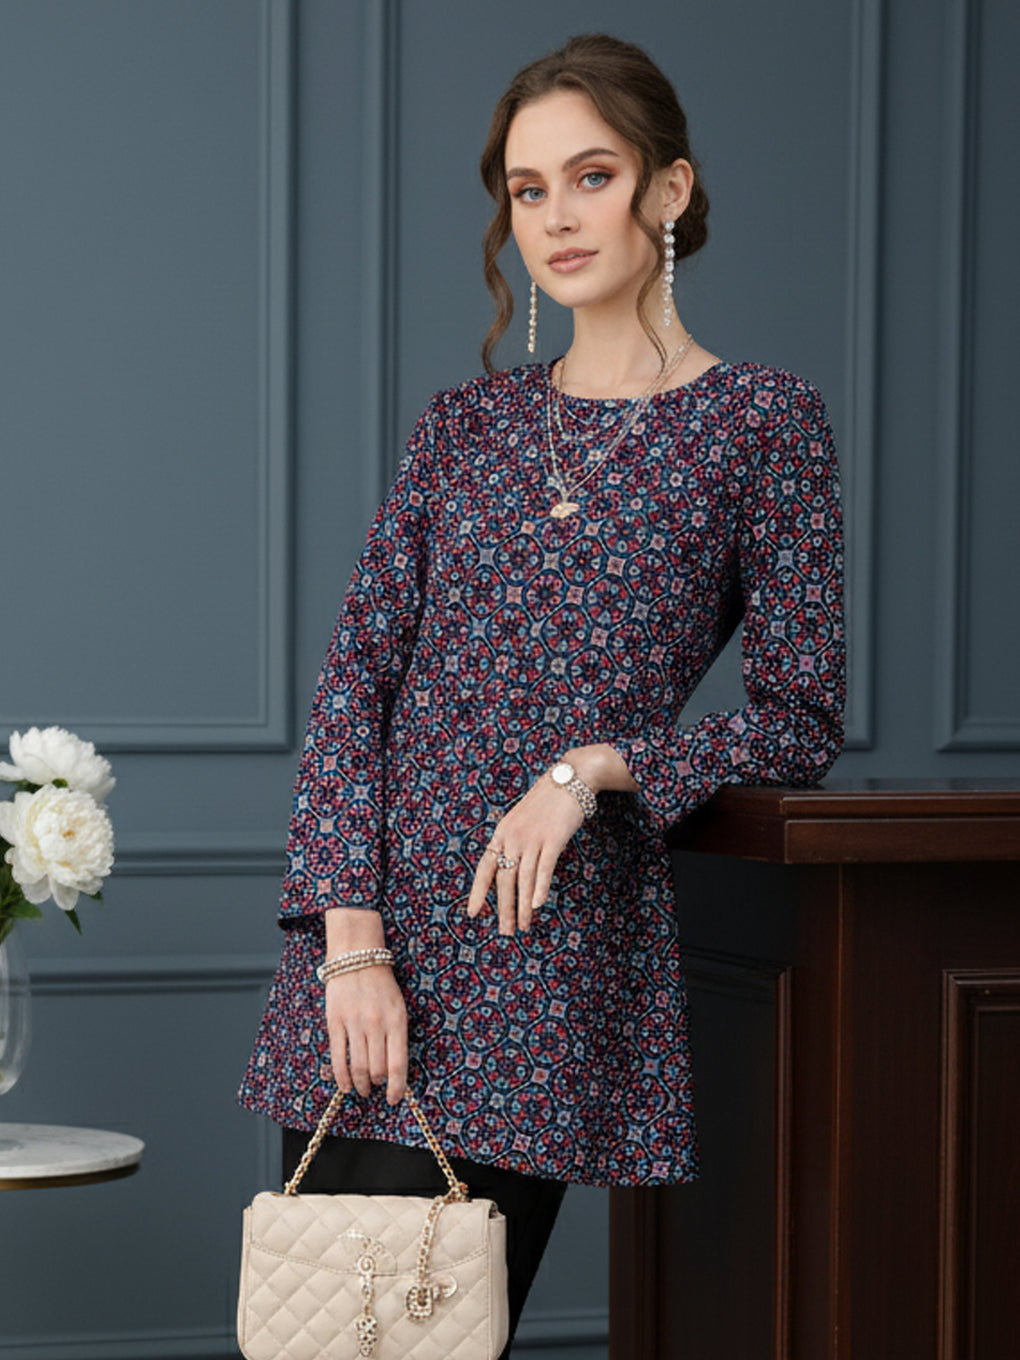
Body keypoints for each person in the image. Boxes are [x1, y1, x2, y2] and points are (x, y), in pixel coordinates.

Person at [239, 31, 845, 1357]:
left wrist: (595, 769)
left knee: (429, 1330)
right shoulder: (463, 428)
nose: (557, 217)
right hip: (370, 942)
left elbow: (801, 716)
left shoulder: (761, 424)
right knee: (317, 1327)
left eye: (591, 176)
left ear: (669, 189)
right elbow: (356, 682)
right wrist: (350, 942)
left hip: (540, 949)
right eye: (528, 189)